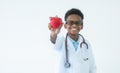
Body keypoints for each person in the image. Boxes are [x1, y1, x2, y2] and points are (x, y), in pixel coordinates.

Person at [48, 8, 96, 73]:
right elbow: (53, 40)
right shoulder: (61, 42)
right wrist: (54, 33)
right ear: (65, 25)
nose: (74, 25)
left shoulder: (86, 44)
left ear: (82, 26)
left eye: (78, 23)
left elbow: (92, 66)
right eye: (71, 22)